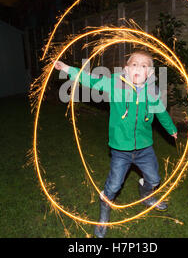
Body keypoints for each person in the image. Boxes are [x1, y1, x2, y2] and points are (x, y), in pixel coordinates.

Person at [54, 50, 178, 238]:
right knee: (113, 186)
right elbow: (91, 80)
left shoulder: (151, 91)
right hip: (121, 149)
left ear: (150, 73)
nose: (138, 68)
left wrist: (171, 128)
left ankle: (146, 195)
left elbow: (160, 111)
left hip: (145, 148)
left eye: (144, 66)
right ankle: (104, 215)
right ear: (126, 69)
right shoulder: (115, 84)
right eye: (134, 64)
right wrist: (67, 69)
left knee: (154, 179)